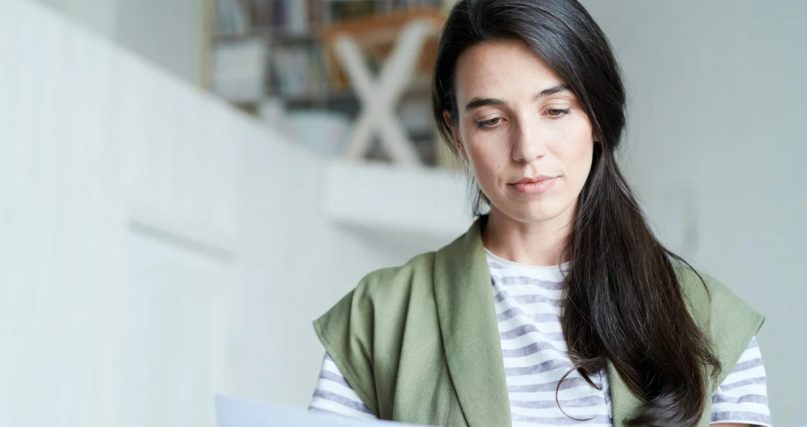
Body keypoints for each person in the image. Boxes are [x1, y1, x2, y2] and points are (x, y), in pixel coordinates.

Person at [307, 0, 770, 426]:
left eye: (556, 110)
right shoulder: (380, 316)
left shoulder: (709, 322)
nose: (527, 149)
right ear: (457, 134)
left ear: (596, 116)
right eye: (491, 120)